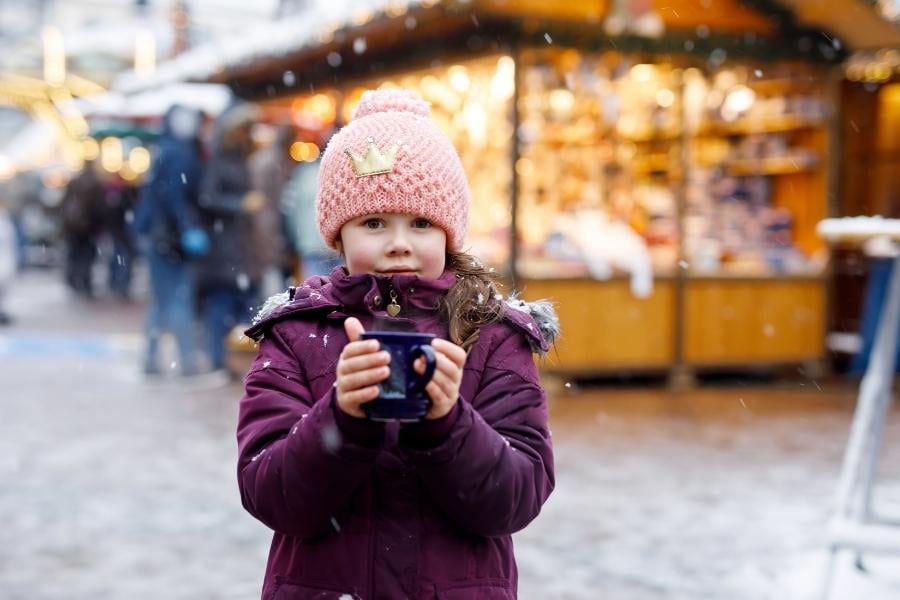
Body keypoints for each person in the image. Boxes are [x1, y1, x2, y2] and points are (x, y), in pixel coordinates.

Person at [236, 89, 559, 599]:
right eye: (374, 222)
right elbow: (269, 493)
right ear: (337, 235)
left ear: (449, 235)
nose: (399, 242)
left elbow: (516, 499)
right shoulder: (297, 335)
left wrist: (448, 424)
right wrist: (341, 417)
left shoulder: (492, 337)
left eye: (422, 223)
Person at [133, 104, 209, 376]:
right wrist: (188, 226)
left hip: (158, 236)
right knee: (177, 298)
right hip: (169, 239)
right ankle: (186, 360)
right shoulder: (179, 152)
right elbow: (174, 196)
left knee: (163, 299)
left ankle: (152, 359)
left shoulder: (166, 148)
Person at [196, 102, 263, 373]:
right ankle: (216, 359)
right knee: (220, 307)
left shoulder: (241, 159)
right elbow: (208, 198)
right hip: (223, 249)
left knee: (239, 306)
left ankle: (230, 359)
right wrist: (240, 204)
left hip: (239, 247)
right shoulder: (220, 161)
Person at [248, 124, 297, 294]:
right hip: (269, 223)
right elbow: (266, 197)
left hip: (269, 222)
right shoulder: (273, 161)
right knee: (272, 272)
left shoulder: (268, 158)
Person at [60, 160, 105, 296]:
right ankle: (83, 281)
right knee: (86, 255)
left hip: (72, 224)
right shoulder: (95, 183)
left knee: (74, 253)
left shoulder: (75, 181)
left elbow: (64, 202)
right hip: (87, 226)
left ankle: (73, 279)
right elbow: (98, 207)